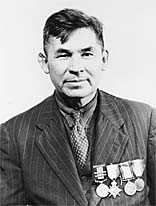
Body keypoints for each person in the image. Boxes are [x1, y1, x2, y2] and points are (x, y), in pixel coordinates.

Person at [0, 8, 156, 206]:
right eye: (63, 55)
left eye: (87, 54)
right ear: (44, 62)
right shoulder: (13, 135)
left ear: (104, 59)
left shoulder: (144, 120)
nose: (76, 68)